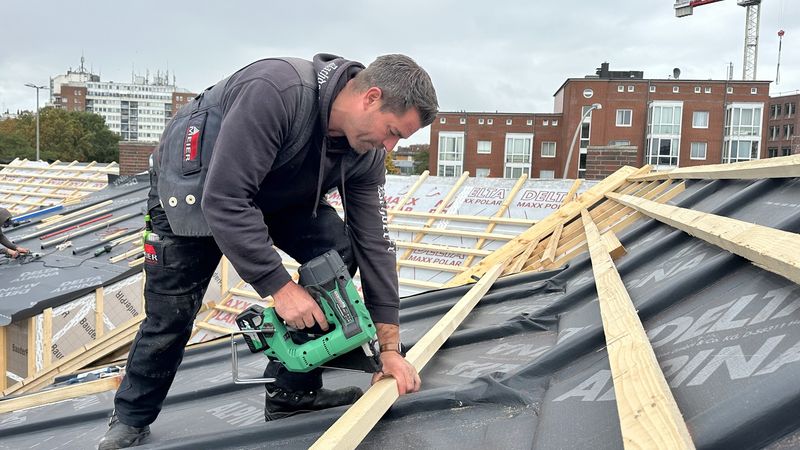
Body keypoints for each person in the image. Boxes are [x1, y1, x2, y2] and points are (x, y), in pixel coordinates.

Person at [98, 53, 438, 449]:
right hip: (194, 189)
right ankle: (130, 417)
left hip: (274, 192)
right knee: (171, 315)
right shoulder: (277, 91)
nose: (390, 146)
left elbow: (375, 244)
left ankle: (293, 393)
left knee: (335, 252)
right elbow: (224, 199)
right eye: (393, 131)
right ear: (371, 97)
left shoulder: (366, 154)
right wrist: (281, 288)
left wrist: (390, 350)